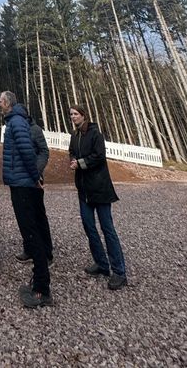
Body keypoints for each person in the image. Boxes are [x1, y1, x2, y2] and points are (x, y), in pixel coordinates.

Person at [0, 90, 52, 308]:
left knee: (30, 232)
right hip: (20, 182)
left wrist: (34, 176)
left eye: (1, 101)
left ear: (9, 103)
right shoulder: (14, 121)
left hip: (23, 184)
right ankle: (40, 280)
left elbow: (27, 152)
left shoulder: (17, 122)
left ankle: (41, 288)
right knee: (29, 231)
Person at [69, 105, 127, 290]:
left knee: (107, 228)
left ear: (83, 115)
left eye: (75, 114)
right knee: (88, 226)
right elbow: (71, 151)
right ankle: (102, 264)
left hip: (100, 188)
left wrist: (81, 163)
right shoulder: (74, 136)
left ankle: (119, 271)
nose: (73, 117)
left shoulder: (95, 134)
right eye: (71, 114)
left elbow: (100, 156)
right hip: (84, 189)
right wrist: (72, 160)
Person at [15, 114, 53, 267]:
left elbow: (44, 151)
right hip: (20, 180)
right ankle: (29, 249)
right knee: (25, 217)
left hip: (35, 180)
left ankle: (47, 252)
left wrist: (35, 173)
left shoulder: (35, 130)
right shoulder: (16, 130)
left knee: (38, 216)